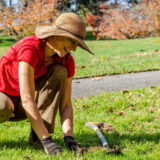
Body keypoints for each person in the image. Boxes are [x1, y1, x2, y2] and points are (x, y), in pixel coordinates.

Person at [0, 12, 94, 155]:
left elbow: (66, 104)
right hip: (5, 98)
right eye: (72, 41)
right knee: (2, 106)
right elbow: (27, 99)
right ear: (56, 34)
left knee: (60, 72)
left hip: (23, 105)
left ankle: (38, 138)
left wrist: (69, 137)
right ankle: (45, 139)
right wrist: (48, 141)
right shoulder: (30, 48)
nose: (74, 48)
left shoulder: (66, 61)